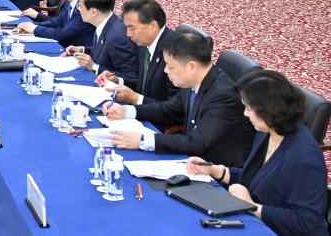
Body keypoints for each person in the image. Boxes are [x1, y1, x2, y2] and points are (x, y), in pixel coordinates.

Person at [187, 70, 328, 236]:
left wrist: (252, 207)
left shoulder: (305, 158)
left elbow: (306, 222)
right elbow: (258, 178)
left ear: (268, 111)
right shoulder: (267, 132)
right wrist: (215, 170)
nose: (245, 114)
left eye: (248, 108)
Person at [104, 29, 255, 166]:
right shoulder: (193, 81)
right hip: (193, 160)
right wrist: (127, 111)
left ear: (191, 66)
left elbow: (196, 142)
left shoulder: (223, 96)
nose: (165, 70)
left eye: (170, 66)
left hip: (215, 170)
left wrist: (142, 140)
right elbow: (168, 110)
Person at [103, 0, 179, 127]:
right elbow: (144, 83)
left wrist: (135, 99)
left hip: (160, 125)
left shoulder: (174, 53)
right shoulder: (145, 43)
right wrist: (118, 81)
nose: (128, 34)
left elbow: (175, 110)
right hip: (142, 114)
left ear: (152, 26)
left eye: (132, 28)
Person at [61, 0, 139, 84]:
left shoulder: (117, 37)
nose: (78, 9)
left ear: (93, 12)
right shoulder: (105, 23)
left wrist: (94, 67)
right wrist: (84, 50)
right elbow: (106, 52)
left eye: (80, 6)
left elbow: (131, 78)